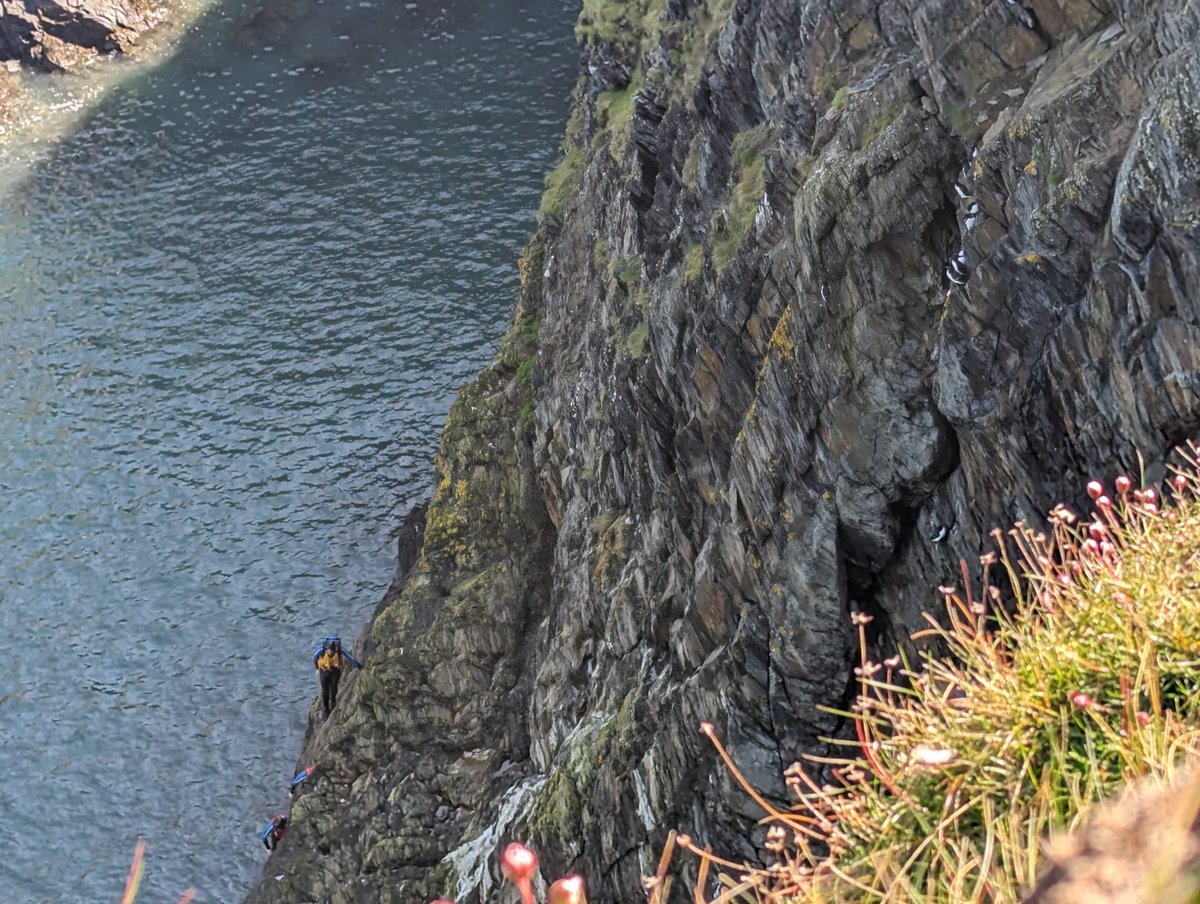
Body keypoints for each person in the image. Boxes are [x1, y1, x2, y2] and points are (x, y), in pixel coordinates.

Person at [314, 636, 361, 718]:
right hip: (324, 671)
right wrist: (317, 669)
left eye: (331, 651)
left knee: (334, 689)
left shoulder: (339, 649)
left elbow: (350, 657)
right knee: (325, 692)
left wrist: (359, 666)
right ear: (326, 649)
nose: (330, 652)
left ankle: (333, 702)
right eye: (328, 651)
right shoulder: (321, 650)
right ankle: (326, 709)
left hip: (334, 671)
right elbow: (315, 658)